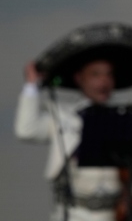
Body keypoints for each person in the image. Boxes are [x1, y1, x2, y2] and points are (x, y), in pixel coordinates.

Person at [15, 59, 121, 221]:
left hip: (116, 213)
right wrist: (31, 85)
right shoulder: (63, 115)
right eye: (95, 74)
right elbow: (27, 130)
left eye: (109, 75)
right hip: (74, 213)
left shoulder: (122, 120)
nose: (104, 81)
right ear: (79, 78)